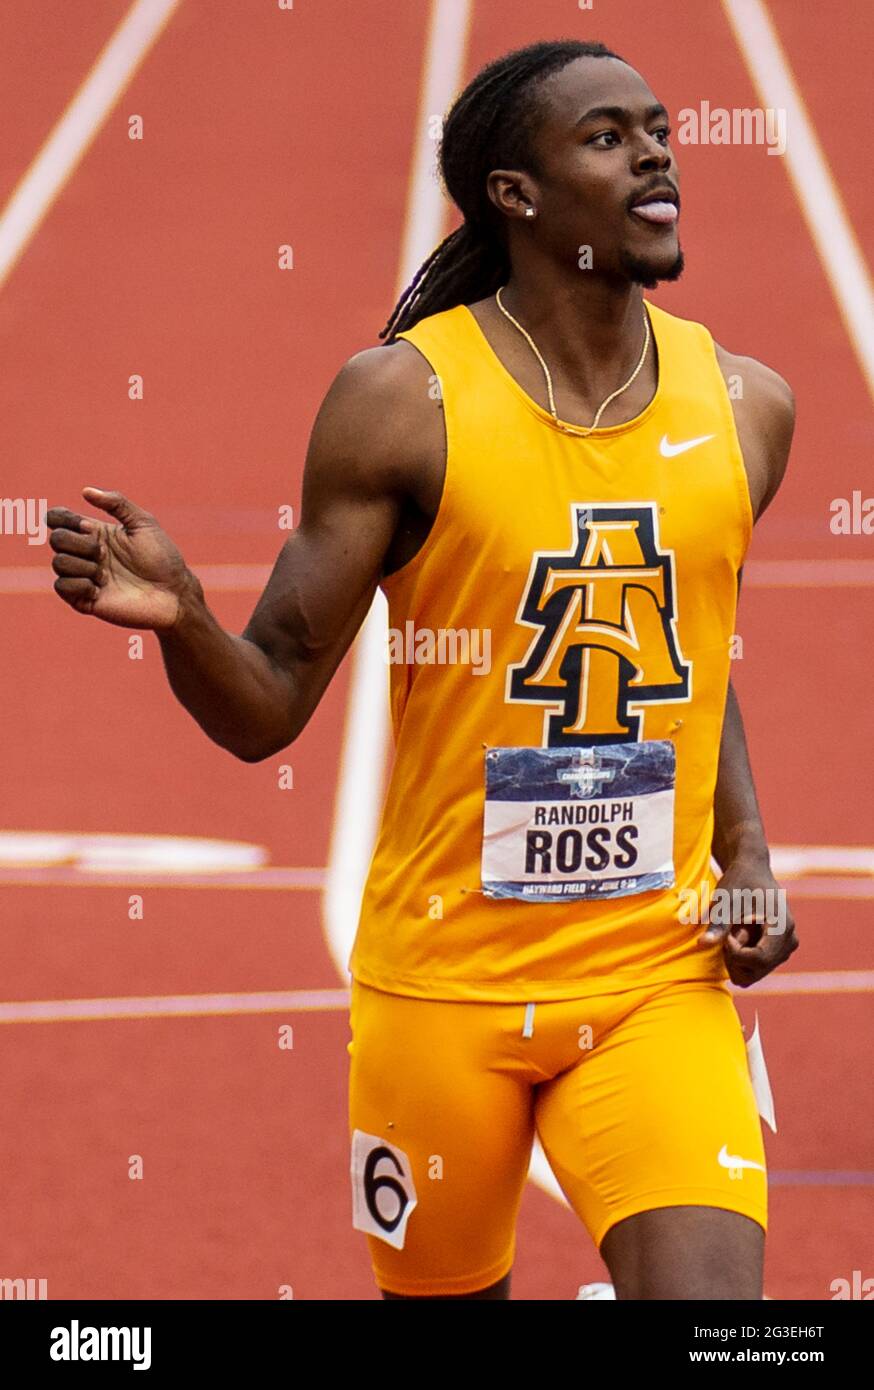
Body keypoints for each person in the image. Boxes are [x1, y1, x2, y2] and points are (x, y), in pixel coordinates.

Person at [46, 39, 798, 1300]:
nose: (658, 153)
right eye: (608, 137)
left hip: (652, 978)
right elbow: (267, 703)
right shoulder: (402, 405)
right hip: (442, 995)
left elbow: (690, 653)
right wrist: (183, 616)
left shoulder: (745, 404)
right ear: (513, 195)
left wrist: (750, 853)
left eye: (660, 130)